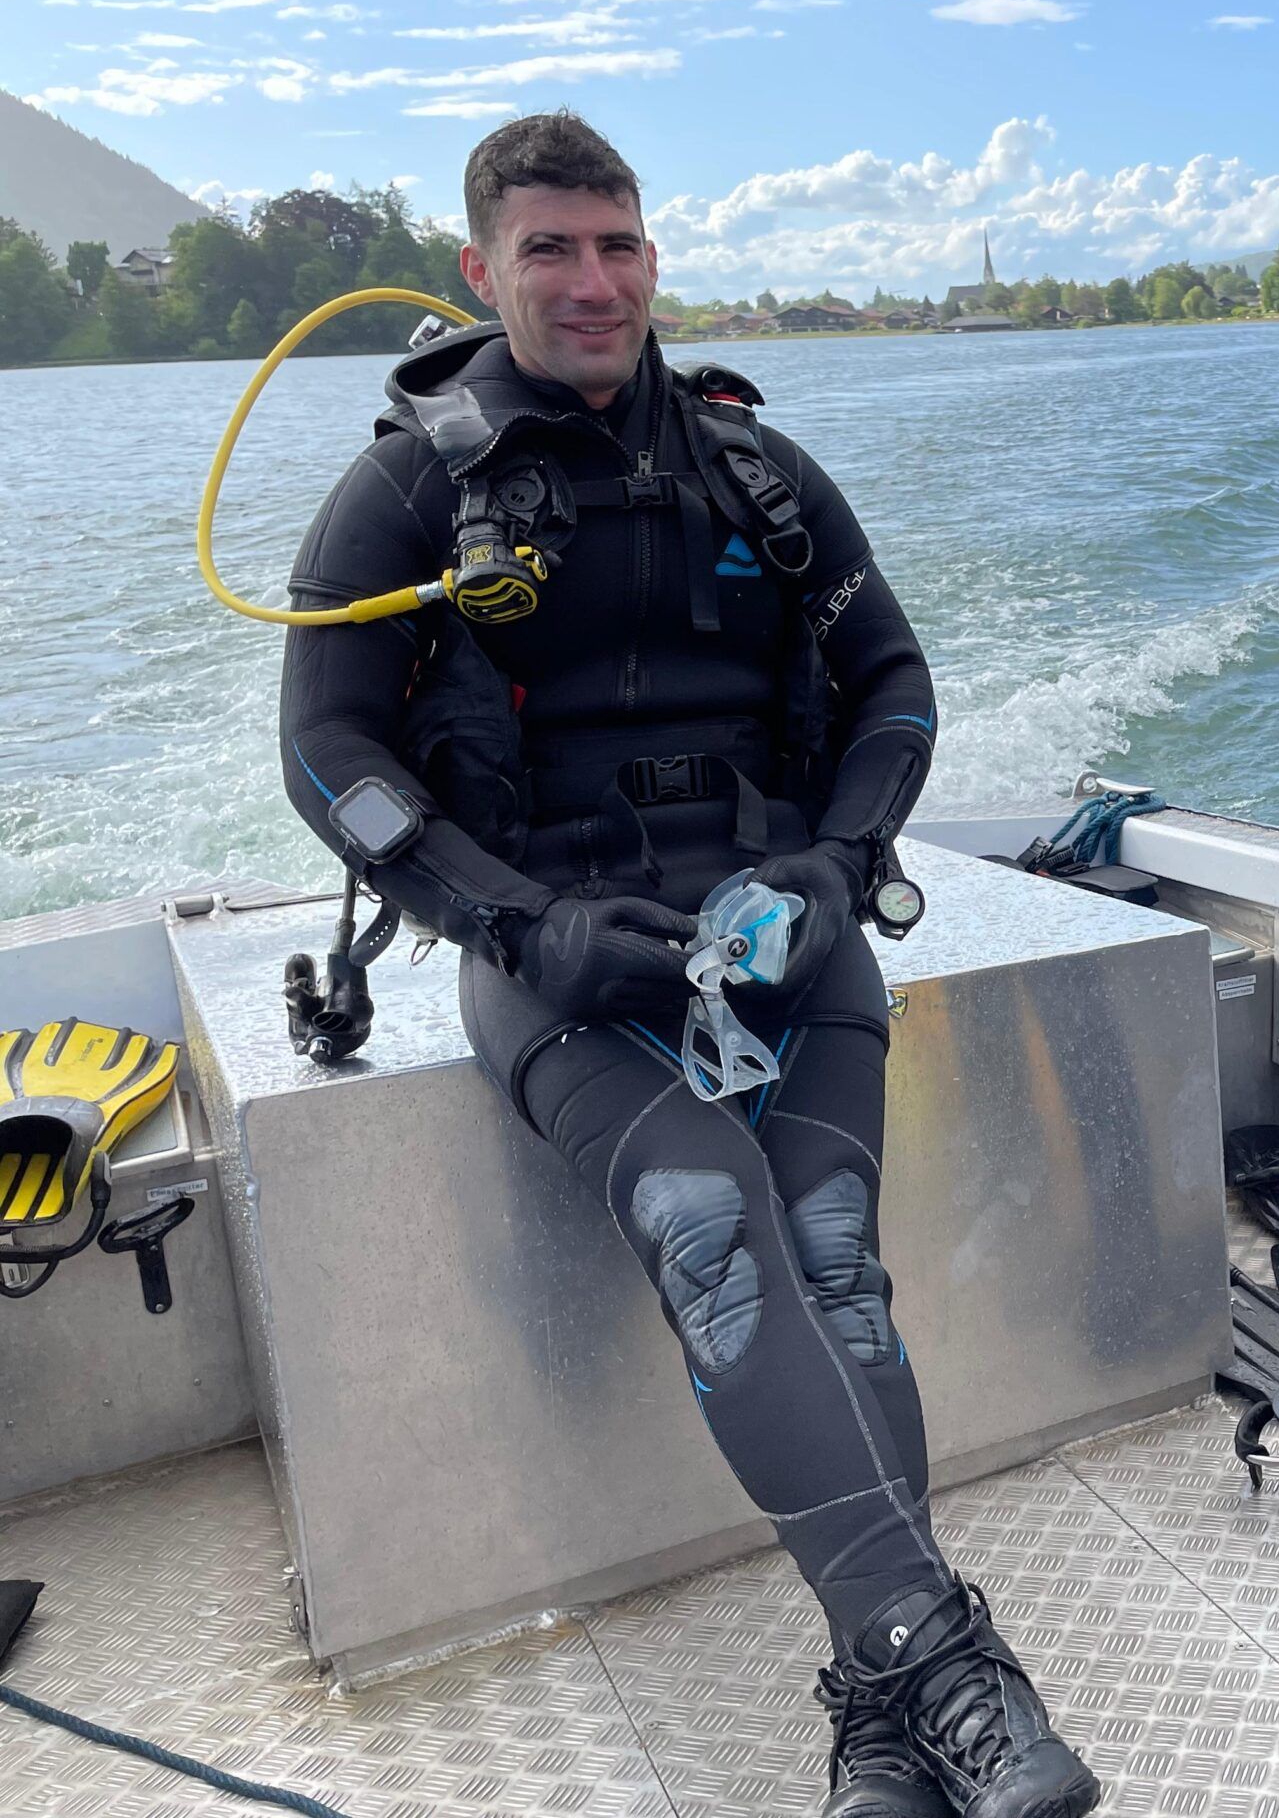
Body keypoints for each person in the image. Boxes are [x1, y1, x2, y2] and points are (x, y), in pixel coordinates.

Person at [277, 112, 1100, 1818]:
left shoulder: (760, 469)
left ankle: (882, 1711)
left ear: (655, 254)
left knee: (829, 1249)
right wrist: (518, 924)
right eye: (553, 251)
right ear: (480, 269)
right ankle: (943, 1667)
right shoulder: (412, 485)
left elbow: (898, 693)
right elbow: (328, 755)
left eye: (621, 246)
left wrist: (838, 862)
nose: (596, 284)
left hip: (778, 940)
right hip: (562, 958)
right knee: (713, 1225)